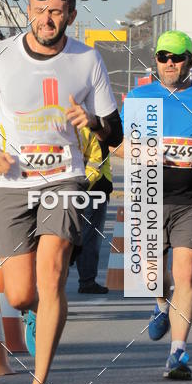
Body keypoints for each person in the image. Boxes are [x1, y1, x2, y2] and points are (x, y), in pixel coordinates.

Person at [0, 0, 122, 384]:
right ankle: (33, 311)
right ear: (28, 12)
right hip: (12, 182)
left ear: (71, 16)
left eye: (56, 11)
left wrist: (91, 121)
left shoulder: (87, 59)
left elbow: (115, 132)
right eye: (39, 10)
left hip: (63, 179)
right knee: (18, 294)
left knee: (52, 273)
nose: (46, 19)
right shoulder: (1, 54)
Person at [114, 31, 192, 380]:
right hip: (147, 195)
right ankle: (160, 304)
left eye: (177, 57)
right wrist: (145, 151)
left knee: (187, 271)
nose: (170, 63)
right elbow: (116, 146)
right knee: (153, 277)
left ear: (189, 61)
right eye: (164, 56)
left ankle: (177, 353)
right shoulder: (139, 97)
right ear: (155, 60)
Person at [74, 123, 114, 294]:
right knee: (90, 237)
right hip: (93, 186)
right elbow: (99, 156)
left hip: (68, 187)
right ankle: (87, 281)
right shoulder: (93, 125)